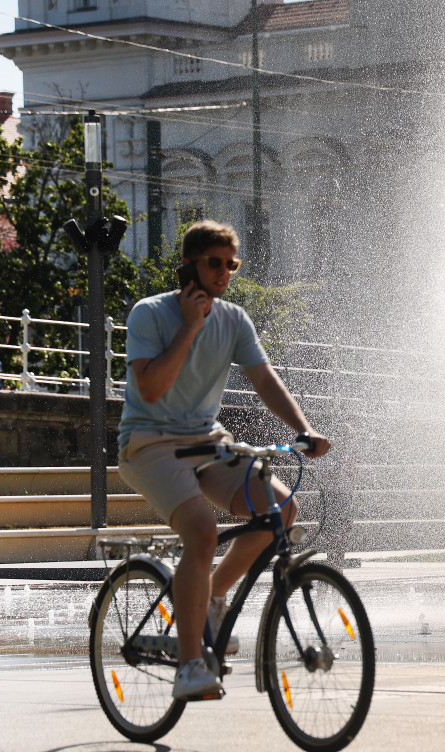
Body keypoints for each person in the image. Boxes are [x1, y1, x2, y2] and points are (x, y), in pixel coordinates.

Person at [117, 220, 330, 700]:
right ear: (189, 265)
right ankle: (190, 664)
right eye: (214, 262)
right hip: (150, 444)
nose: (223, 272)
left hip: (207, 441)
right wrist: (191, 326)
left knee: (281, 510)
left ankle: (212, 594)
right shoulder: (150, 313)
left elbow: (264, 378)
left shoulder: (234, 319)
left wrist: (303, 429)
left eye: (231, 264)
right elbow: (150, 388)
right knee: (202, 531)